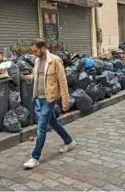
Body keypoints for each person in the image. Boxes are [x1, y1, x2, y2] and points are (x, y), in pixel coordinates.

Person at [23, 38, 76, 169]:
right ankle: (69, 141)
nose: (34, 53)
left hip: (49, 98)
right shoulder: (36, 60)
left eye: (35, 51)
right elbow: (38, 74)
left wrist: (65, 101)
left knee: (41, 127)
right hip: (39, 97)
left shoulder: (55, 61)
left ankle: (35, 158)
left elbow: (63, 82)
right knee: (52, 121)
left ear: (42, 48)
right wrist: (31, 77)